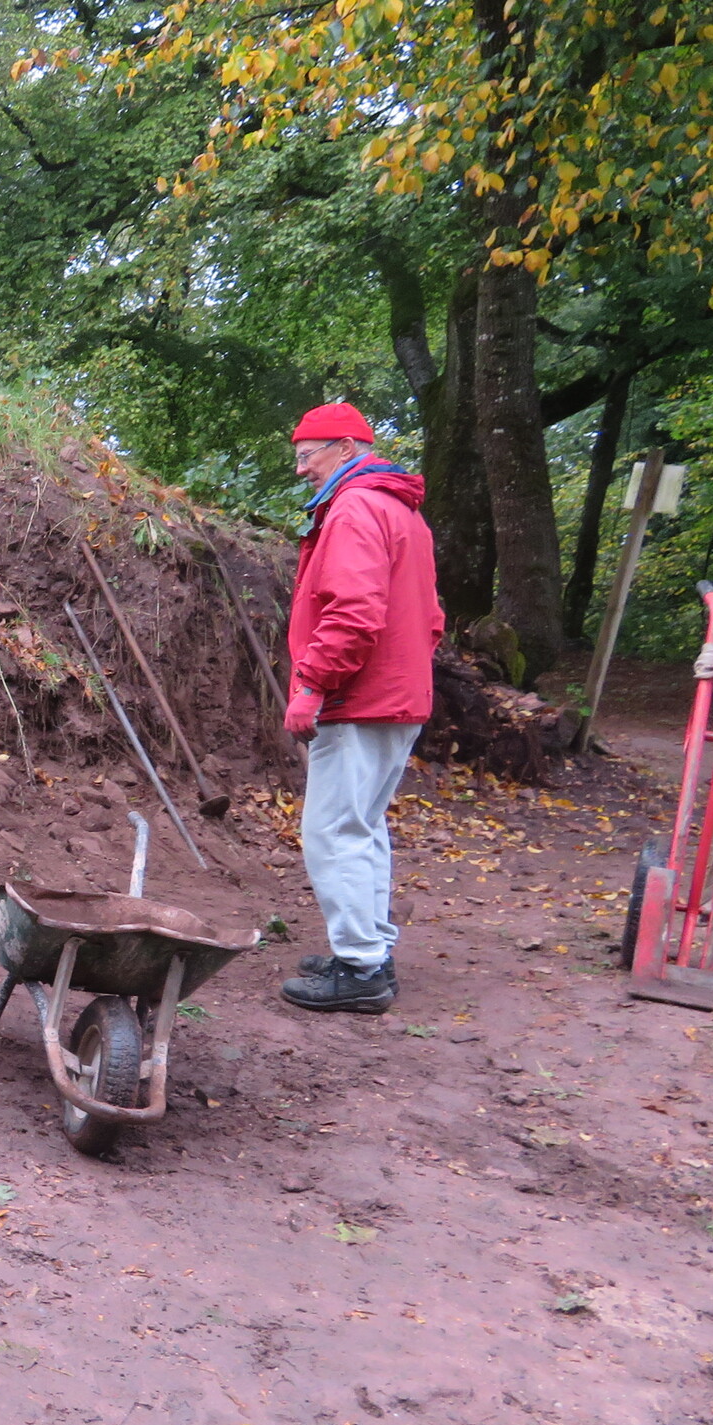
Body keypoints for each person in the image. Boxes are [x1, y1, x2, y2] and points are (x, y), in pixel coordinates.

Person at [277, 402, 443, 1014]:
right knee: (363, 828)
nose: (301, 469)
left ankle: (361, 969)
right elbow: (431, 616)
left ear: (346, 448)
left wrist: (313, 684)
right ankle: (369, 951)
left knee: (332, 832)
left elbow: (352, 612)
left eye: (307, 455)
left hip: (361, 696)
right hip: (395, 693)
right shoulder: (399, 510)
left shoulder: (355, 507)